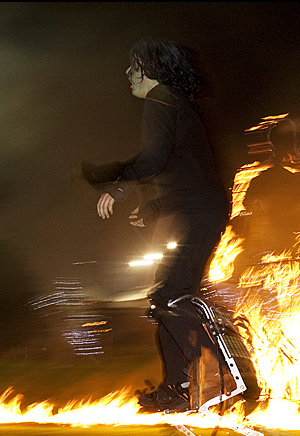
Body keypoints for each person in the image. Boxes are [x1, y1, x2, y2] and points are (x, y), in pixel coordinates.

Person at [82, 38, 231, 412]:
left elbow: (154, 157)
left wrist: (117, 184)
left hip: (201, 211)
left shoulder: (160, 98)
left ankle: (218, 376)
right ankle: (178, 386)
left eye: (133, 66)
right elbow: (186, 170)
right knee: (170, 299)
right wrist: (152, 208)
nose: (128, 74)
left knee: (168, 297)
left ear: (147, 70)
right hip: (200, 208)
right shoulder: (172, 101)